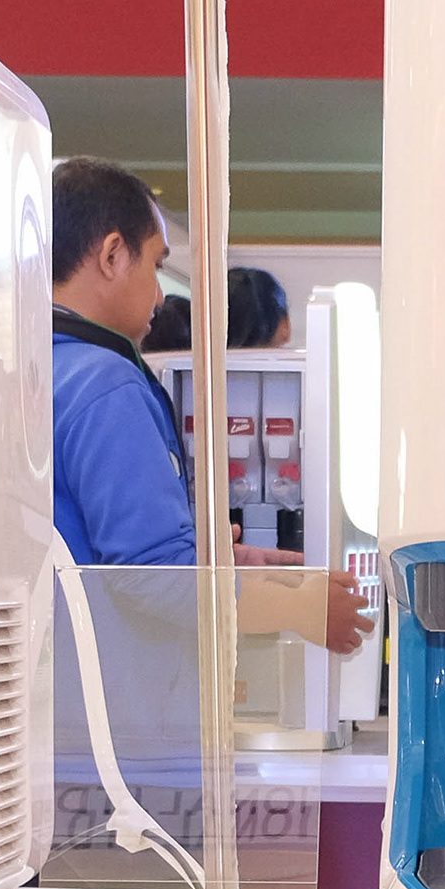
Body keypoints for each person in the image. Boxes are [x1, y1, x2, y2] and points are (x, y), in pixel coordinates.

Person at [50, 158, 366, 650]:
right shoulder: (107, 385)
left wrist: (213, 567)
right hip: (115, 686)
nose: (161, 296)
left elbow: (94, 547)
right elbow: (152, 575)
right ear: (112, 255)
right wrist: (301, 607)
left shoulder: (36, 370)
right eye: (156, 265)